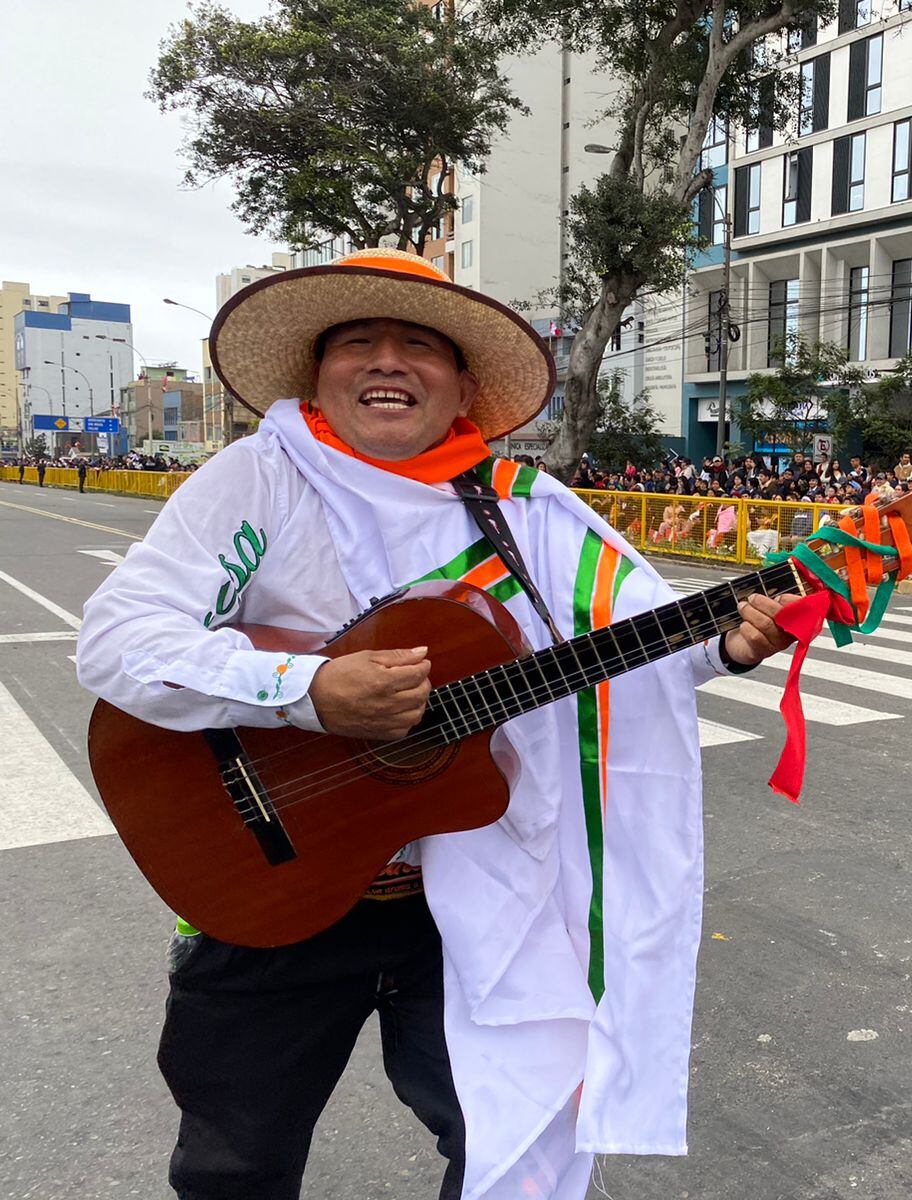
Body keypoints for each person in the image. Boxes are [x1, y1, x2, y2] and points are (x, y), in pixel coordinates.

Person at [75, 249, 799, 1200]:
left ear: (460, 383)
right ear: (317, 375)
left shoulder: (522, 507)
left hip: (465, 897)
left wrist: (726, 647)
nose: (387, 362)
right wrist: (308, 687)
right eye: (358, 343)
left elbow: (621, 646)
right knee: (234, 1160)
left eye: (418, 345)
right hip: (270, 884)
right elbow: (120, 641)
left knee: (511, 1131)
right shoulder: (258, 480)